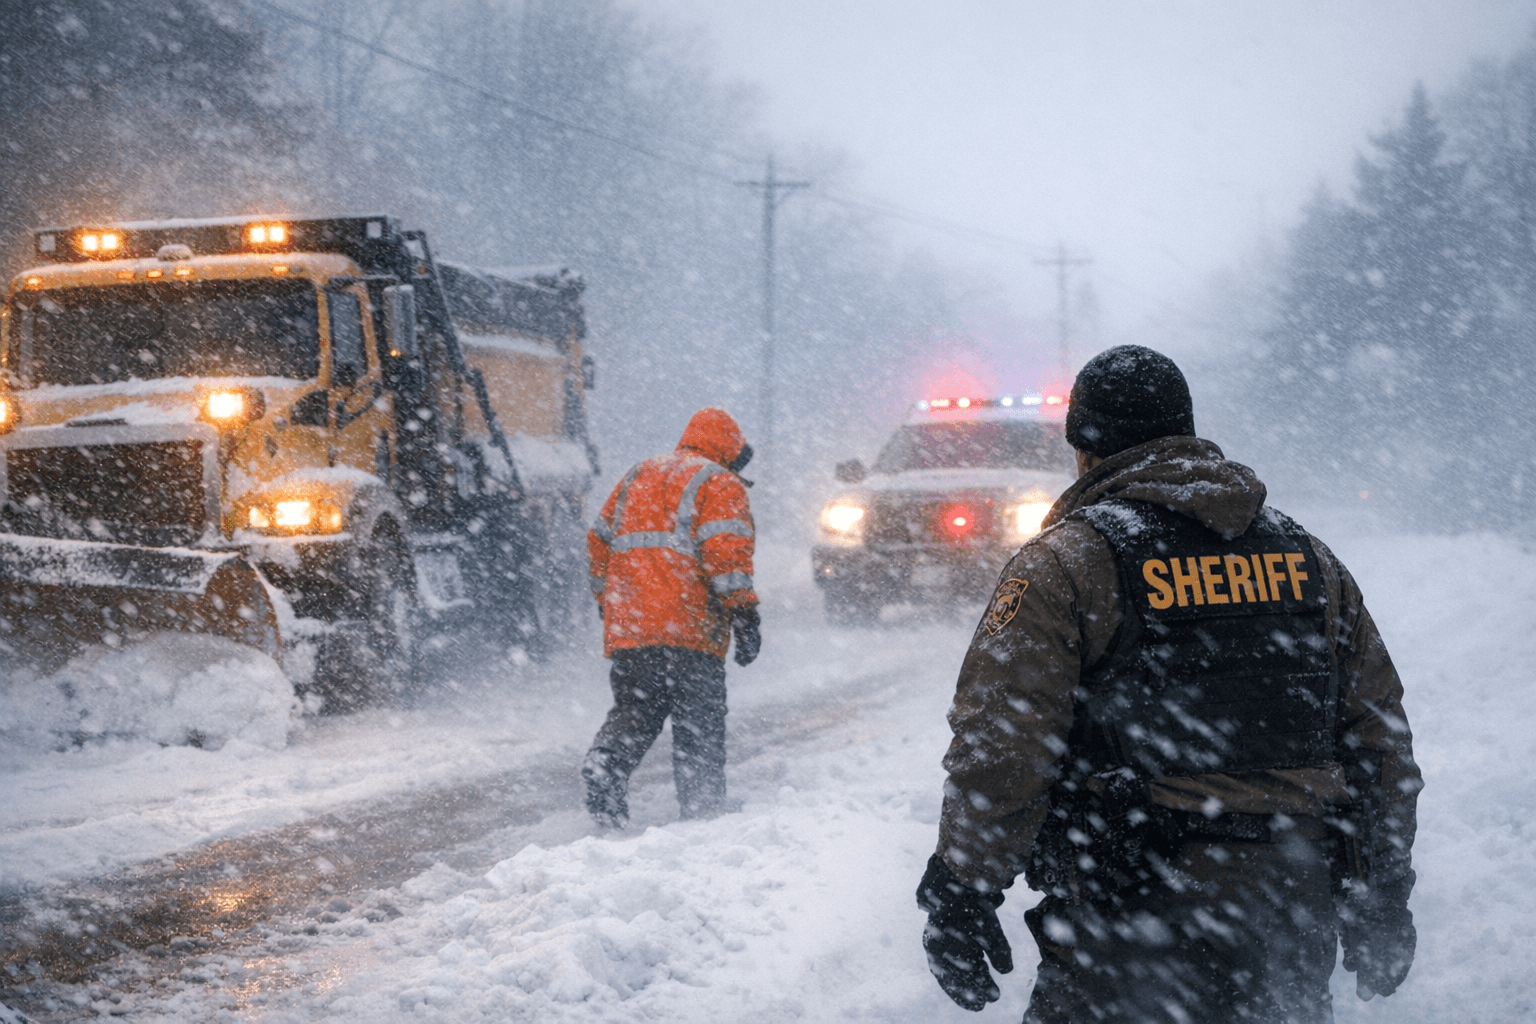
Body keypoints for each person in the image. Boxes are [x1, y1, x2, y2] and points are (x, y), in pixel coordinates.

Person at [915, 346, 1421, 1023]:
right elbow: (1378, 739)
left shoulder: (1069, 563)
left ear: (1085, 449)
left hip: (1130, 913)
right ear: (1185, 432)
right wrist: (1382, 892)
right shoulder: (1309, 560)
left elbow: (1005, 743)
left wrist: (963, 886)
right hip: (1290, 907)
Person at [581, 407, 761, 827]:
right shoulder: (719, 481)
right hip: (689, 628)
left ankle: (606, 763)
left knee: (637, 710)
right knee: (698, 723)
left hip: (632, 627)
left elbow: (598, 541)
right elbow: (725, 553)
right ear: (729, 449)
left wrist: (608, 601)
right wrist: (744, 613)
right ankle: (703, 815)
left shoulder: (638, 474)